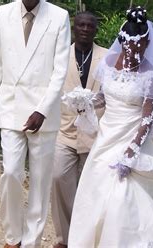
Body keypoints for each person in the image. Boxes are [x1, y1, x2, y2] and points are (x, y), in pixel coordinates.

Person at [68, 7, 153, 247]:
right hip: (106, 138)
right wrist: (85, 101)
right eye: (130, 47)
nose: (134, 52)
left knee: (122, 197)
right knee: (95, 197)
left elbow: (148, 119)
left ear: (147, 43)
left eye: (140, 47)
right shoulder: (108, 63)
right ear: (123, 42)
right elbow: (104, 98)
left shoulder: (151, 74)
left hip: (131, 139)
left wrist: (131, 152)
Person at [0, 0, 70, 247]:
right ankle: (12, 237)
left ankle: (31, 242)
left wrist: (42, 109)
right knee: (11, 173)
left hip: (44, 112)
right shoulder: (3, 13)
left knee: (40, 183)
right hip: (10, 106)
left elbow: (60, 71)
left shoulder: (60, 16)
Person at [50, 11, 107, 248]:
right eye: (81, 25)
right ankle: (64, 239)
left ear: (95, 30)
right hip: (64, 129)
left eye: (90, 25)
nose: (85, 28)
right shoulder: (61, 54)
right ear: (74, 28)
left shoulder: (106, 57)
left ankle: (86, 240)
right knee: (58, 177)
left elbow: (110, 92)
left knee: (90, 189)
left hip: (95, 132)